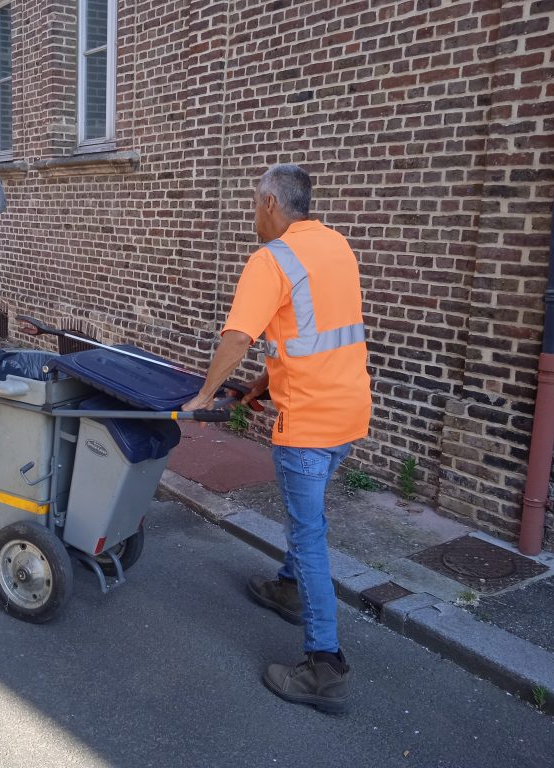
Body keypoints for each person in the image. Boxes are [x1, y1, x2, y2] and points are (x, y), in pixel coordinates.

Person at [181, 163, 371, 715]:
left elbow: (239, 336)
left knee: (309, 537)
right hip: (348, 415)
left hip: (308, 427)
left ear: (270, 204)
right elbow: (314, 336)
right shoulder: (337, 246)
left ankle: (324, 665)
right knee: (306, 523)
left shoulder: (272, 259)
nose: (251, 215)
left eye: (253, 203)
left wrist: (202, 396)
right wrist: (262, 386)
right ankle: (290, 589)